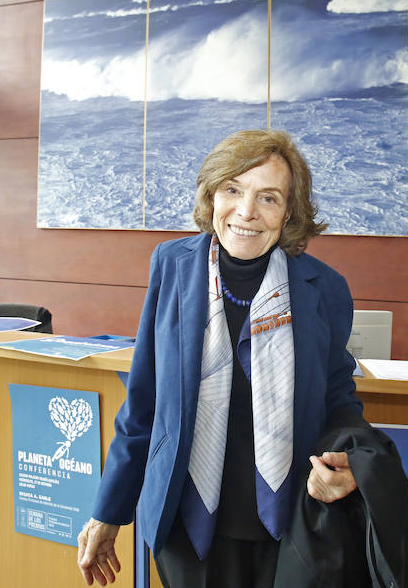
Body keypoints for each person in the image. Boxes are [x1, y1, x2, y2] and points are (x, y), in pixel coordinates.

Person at [77, 129, 364, 587]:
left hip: (290, 528)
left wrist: (351, 460)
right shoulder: (172, 264)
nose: (247, 212)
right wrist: (109, 509)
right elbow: (145, 400)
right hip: (185, 524)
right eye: (233, 189)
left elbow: (338, 398)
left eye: (268, 198)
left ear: (289, 211)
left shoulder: (323, 288)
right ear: (212, 195)